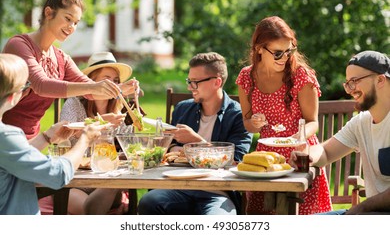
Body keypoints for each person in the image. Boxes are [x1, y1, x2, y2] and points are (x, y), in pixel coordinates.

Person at [1, 0, 138, 144]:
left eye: (76, 23)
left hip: (32, 141)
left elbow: (90, 92)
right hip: (5, 137)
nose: (72, 27)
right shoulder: (20, 45)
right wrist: (95, 86)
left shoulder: (61, 58)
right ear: (48, 13)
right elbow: (42, 85)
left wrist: (119, 89)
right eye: (68, 18)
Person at [235, 16, 332, 214]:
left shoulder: (301, 76)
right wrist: (254, 123)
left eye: (289, 51)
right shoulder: (247, 77)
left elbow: (313, 122)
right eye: (278, 53)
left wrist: (300, 135)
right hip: (266, 160)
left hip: (301, 157)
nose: (285, 58)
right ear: (259, 48)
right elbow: (247, 124)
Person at [138, 52, 252, 215]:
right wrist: (171, 148)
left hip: (218, 192)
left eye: (195, 82)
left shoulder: (238, 116)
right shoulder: (182, 109)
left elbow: (236, 161)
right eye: (189, 81)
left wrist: (195, 142)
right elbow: (167, 149)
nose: (190, 87)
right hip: (177, 186)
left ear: (217, 82)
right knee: (149, 202)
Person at [0, 53, 103, 215]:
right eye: (26, 86)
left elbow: (11, 158)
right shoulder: (5, 136)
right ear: (14, 96)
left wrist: (47, 137)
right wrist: (85, 139)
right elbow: (57, 175)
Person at [290, 50, 390, 215]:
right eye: (348, 83)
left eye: (355, 81)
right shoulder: (361, 123)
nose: (350, 90)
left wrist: (362, 207)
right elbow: (327, 152)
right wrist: (308, 155)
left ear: (380, 80)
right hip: (368, 213)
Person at [39, 52, 133, 215]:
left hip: (107, 177)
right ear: (91, 81)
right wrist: (101, 121)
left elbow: (128, 146)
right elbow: (66, 134)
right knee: (87, 209)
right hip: (75, 178)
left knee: (109, 189)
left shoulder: (120, 107)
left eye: (116, 80)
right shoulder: (74, 103)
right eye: (107, 79)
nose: (113, 84)